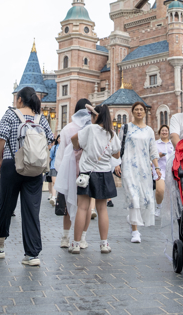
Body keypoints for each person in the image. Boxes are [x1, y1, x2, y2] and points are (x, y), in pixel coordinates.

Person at [0, 87, 55, 266]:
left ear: (19, 100)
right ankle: (32, 254)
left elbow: (1, 136)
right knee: (32, 209)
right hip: (34, 167)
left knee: (7, 205)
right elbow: (50, 140)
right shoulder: (40, 118)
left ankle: (0, 245)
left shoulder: (11, 114)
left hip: (12, 164)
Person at [70, 104, 119, 254]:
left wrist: (78, 147)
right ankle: (104, 244)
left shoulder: (90, 129)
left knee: (82, 208)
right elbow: (116, 154)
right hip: (104, 173)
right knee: (102, 209)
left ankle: (76, 244)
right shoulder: (111, 134)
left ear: (96, 116)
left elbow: (74, 138)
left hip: (87, 173)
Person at [114, 102, 159, 243]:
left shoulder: (149, 131)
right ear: (132, 112)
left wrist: (157, 168)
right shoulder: (126, 128)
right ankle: (135, 231)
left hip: (144, 168)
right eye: (136, 109)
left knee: (145, 198)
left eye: (141, 109)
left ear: (145, 112)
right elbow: (118, 147)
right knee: (133, 197)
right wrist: (117, 164)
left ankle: (133, 220)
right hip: (128, 166)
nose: (139, 112)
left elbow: (153, 150)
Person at [55, 99, 94, 250]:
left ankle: (65, 237)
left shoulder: (67, 128)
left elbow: (61, 152)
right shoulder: (93, 128)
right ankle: (82, 238)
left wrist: (59, 172)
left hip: (69, 170)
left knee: (68, 204)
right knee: (86, 206)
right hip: (88, 170)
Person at [153, 124, 173, 216]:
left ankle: (169, 209)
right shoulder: (155, 143)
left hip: (171, 170)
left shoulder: (173, 143)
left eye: (166, 131)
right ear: (159, 132)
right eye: (162, 131)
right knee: (160, 190)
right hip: (159, 170)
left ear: (168, 132)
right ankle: (158, 206)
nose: (164, 132)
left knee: (170, 191)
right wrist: (159, 155)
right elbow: (151, 157)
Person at [47, 137, 59, 205]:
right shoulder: (54, 148)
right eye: (59, 138)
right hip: (53, 167)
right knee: (54, 182)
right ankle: (53, 197)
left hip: (62, 168)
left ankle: (59, 198)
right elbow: (50, 158)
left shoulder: (65, 147)